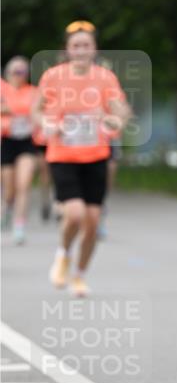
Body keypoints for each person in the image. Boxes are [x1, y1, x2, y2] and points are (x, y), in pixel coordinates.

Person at [33, 20, 131, 297]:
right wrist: (47, 124)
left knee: (92, 220)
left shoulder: (104, 78)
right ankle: (63, 254)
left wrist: (111, 118)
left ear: (94, 49)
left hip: (95, 155)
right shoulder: (52, 76)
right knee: (74, 213)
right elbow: (36, 110)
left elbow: (121, 112)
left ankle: (80, 275)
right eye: (76, 45)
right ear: (67, 49)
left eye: (86, 45)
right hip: (62, 154)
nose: (81, 50)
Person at [1, 57, 39, 245]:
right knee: (9, 190)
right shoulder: (3, 89)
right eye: (16, 72)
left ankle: (19, 225)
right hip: (6, 141)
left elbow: (37, 110)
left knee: (23, 184)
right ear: (8, 73)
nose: (20, 76)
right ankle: (7, 207)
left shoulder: (32, 91)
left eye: (23, 72)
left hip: (26, 142)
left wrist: (12, 108)